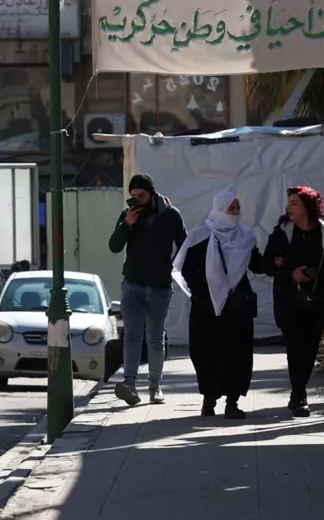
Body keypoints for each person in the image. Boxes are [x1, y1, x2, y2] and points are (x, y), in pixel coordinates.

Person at [172, 191, 266, 420]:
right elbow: (186, 269)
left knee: (237, 354)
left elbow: (257, 264)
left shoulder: (245, 237)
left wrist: (279, 261)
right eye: (230, 208)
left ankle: (232, 402)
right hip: (206, 307)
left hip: (236, 307)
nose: (234, 212)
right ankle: (209, 398)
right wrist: (206, 293)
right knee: (205, 352)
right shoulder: (199, 236)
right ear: (218, 209)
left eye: (237, 208)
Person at [263, 186, 324, 418]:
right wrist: (291, 274)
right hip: (288, 300)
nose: (289, 207)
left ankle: (299, 391)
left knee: (310, 349)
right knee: (295, 346)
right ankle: (299, 395)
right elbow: (267, 265)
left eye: (295, 203)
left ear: (308, 207)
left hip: (318, 299)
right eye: (288, 203)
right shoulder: (281, 233)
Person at [107, 173, 187, 406]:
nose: (136, 200)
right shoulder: (128, 215)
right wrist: (126, 225)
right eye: (132, 196)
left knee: (155, 336)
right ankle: (129, 383)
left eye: (141, 195)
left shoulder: (171, 215)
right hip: (133, 284)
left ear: (151, 194)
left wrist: (172, 269)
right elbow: (113, 246)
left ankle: (155, 385)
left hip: (160, 286)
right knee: (132, 334)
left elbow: (184, 245)